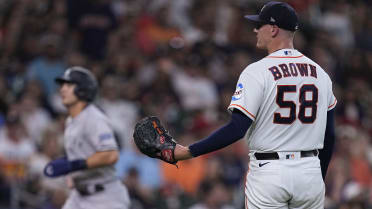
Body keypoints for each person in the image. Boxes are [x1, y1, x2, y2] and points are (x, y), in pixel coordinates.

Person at [172, 2, 337, 208]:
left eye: (260, 25)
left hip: (271, 171)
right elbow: (329, 135)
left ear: (274, 29)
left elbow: (237, 128)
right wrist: (316, 175)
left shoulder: (258, 71)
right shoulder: (321, 74)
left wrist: (188, 151)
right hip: (309, 171)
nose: (255, 29)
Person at [43, 66, 130, 209]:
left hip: (105, 197)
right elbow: (82, 157)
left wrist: (74, 165)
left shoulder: (94, 119)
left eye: (69, 85)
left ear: (82, 90)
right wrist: (66, 165)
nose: (62, 89)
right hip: (79, 196)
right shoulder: (71, 121)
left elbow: (110, 155)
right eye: (63, 85)